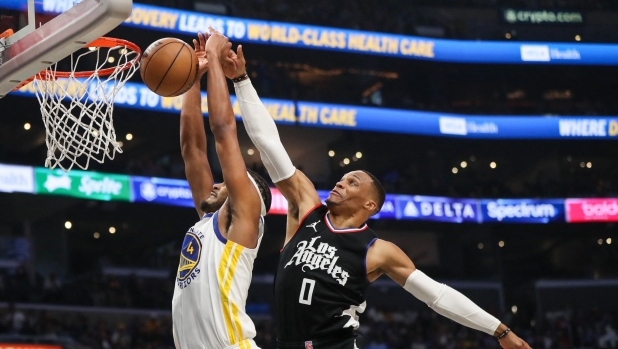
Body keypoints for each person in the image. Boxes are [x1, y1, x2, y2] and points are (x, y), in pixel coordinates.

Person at [221, 47, 532, 349]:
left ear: (370, 205)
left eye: (352, 183)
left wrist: (500, 330)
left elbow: (436, 295)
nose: (340, 184)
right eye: (341, 179)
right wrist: (241, 80)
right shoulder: (306, 208)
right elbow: (267, 142)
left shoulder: (378, 250)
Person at [171, 29, 272, 349]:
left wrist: (215, 59)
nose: (216, 182)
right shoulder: (210, 219)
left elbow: (224, 130)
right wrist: (192, 79)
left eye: (227, 181)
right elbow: (192, 150)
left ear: (249, 191)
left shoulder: (245, 216)